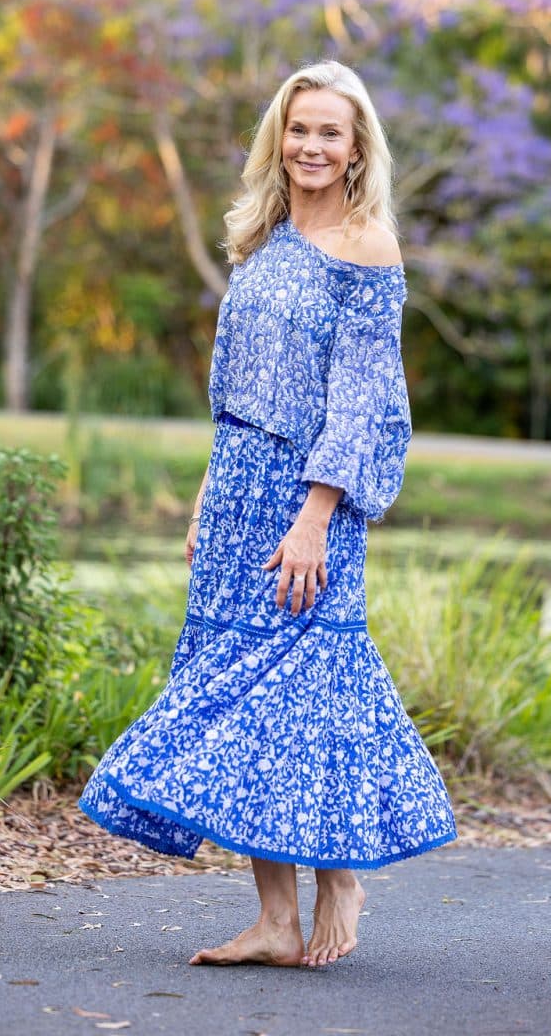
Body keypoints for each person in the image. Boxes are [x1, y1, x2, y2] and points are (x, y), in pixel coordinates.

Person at [79, 60, 457, 968]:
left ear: (358, 144)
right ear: (277, 141)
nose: (313, 146)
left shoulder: (368, 247)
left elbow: (364, 396)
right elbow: (236, 387)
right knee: (248, 707)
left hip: (307, 496)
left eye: (331, 131)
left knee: (305, 689)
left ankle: (341, 874)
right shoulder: (264, 237)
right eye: (299, 130)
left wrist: (316, 516)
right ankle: (275, 921)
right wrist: (212, 491)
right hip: (241, 489)